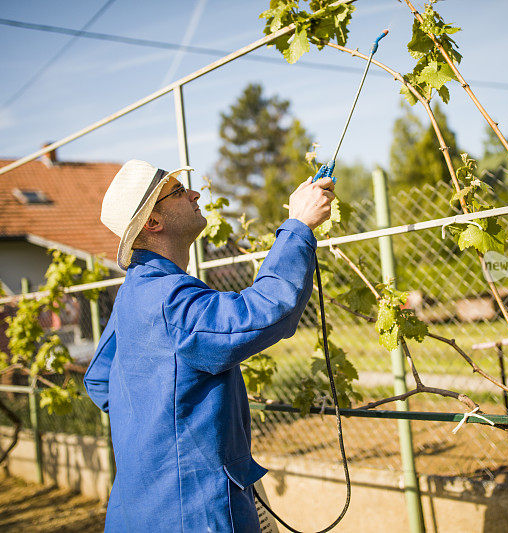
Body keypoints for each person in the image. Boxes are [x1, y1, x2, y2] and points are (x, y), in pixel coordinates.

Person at [84, 159, 335, 532]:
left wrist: (162, 427)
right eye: (177, 191)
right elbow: (267, 311)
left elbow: (99, 381)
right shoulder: (169, 300)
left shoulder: (134, 295)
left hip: (137, 511)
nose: (194, 193)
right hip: (193, 514)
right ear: (153, 223)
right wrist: (298, 227)